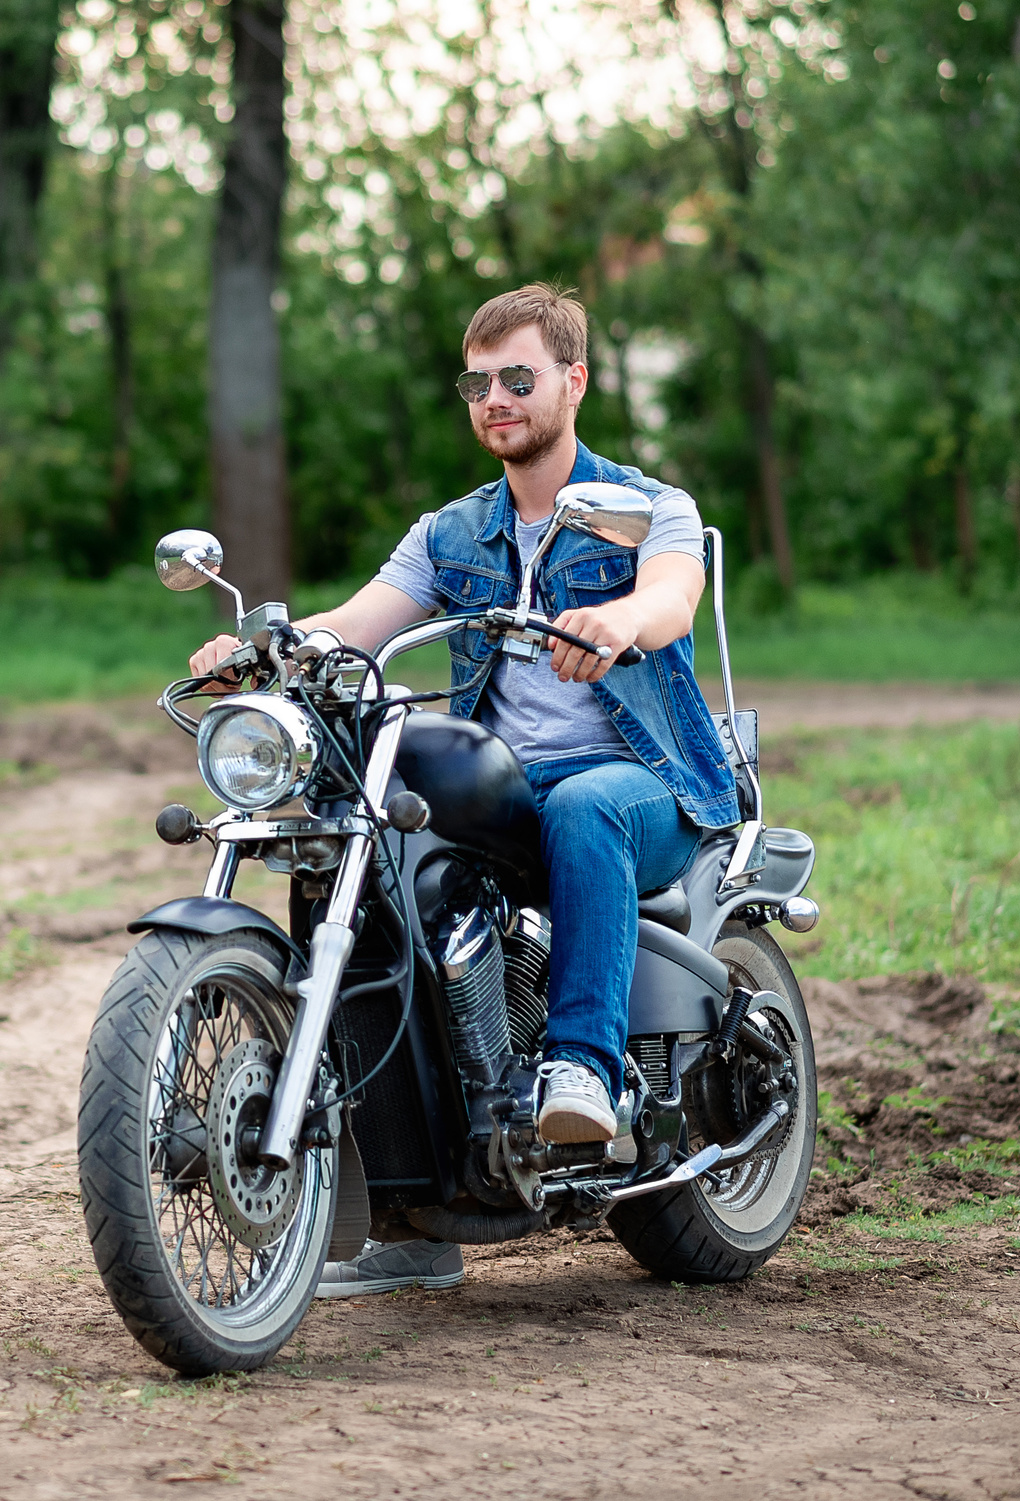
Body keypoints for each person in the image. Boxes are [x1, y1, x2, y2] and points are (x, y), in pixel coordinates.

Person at [182, 282, 743, 1299]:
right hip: (512, 795)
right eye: (477, 382)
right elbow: (353, 621)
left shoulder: (645, 508)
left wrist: (620, 620)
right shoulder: (452, 532)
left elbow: (670, 594)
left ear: (573, 381)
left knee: (586, 804)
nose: (495, 398)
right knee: (369, 834)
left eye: (518, 378)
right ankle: (413, 1207)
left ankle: (581, 1065)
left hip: (644, 786)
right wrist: (262, 652)